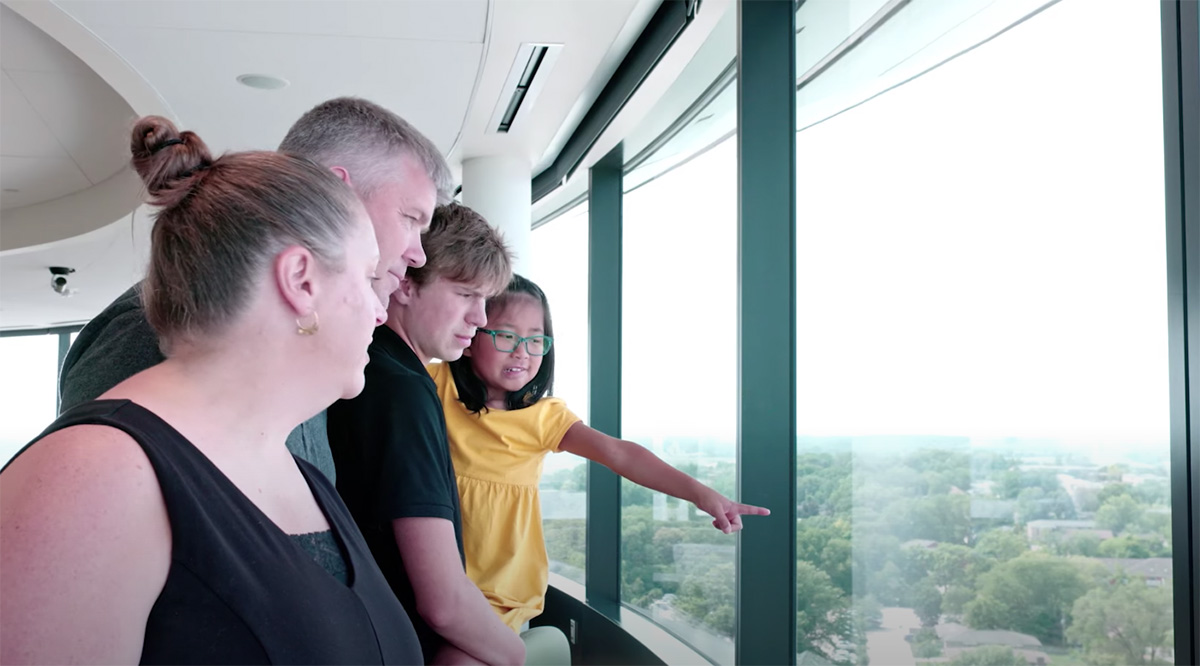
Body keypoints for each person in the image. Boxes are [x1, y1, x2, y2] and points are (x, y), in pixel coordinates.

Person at [1, 117, 422, 664]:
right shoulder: (94, 476)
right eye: (368, 278)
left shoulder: (302, 475)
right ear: (301, 280)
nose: (380, 307)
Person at [57, 96, 452, 483]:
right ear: (339, 192)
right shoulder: (156, 332)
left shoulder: (296, 348)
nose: (417, 255)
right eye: (410, 219)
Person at [431, 274, 771, 631]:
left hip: (501, 596)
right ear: (470, 337)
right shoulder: (434, 384)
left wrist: (701, 494)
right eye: (506, 335)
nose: (522, 351)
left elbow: (620, 454)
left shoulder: (545, 417)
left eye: (535, 340)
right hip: (432, 579)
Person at [329, 203, 559, 666]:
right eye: (466, 295)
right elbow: (444, 602)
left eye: (485, 301)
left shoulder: (373, 366)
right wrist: (516, 658)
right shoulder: (401, 389)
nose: (480, 319)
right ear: (407, 283)